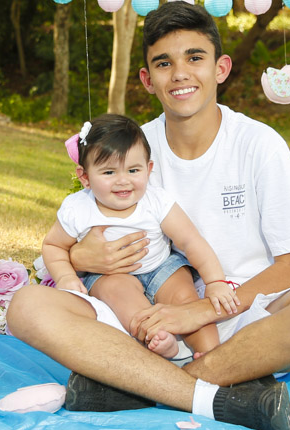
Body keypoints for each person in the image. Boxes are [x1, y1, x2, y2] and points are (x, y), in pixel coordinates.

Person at [7, 1, 290, 430]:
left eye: (195, 58)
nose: (180, 74)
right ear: (147, 79)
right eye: (163, 63)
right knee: (25, 307)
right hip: (140, 319)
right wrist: (80, 255)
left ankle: (143, 385)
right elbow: (75, 230)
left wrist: (194, 313)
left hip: (241, 321)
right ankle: (213, 395)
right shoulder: (132, 149)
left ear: (221, 68)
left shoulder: (259, 145)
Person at [42, 113, 240, 360]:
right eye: (109, 172)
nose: (123, 181)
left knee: (185, 299)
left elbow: (191, 240)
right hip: (111, 275)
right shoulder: (78, 209)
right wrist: (65, 277)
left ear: (148, 169)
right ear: (85, 177)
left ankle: (211, 354)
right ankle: (159, 344)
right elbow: (53, 245)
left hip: (162, 267)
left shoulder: (156, 201)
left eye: (133, 170)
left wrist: (215, 281)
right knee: (126, 304)